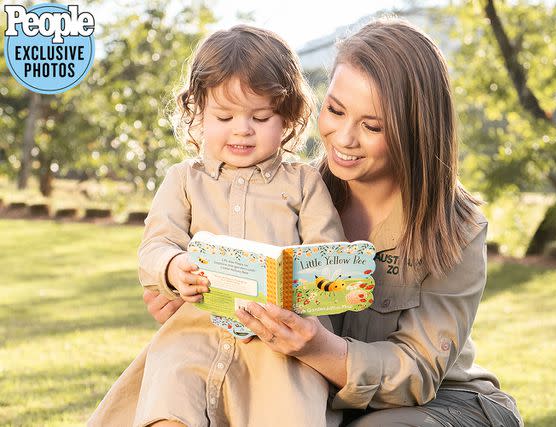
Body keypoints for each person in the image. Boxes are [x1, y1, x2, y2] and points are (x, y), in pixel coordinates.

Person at [92, 18, 524, 427]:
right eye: (335, 110)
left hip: (440, 405)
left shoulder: (456, 227)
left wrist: (317, 346)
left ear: (414, 130)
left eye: (371, 125)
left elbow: (417, 372)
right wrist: (187, 293)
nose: (344, 137)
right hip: (320, 397)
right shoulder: (293, 188)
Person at [89, 25, 345, 427]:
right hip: (195, 331)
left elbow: (328, 254)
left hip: (278, 341)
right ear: (199, 114)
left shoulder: (303, 184)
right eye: (224, 116)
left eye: (261, 117)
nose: (242, 128)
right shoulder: (183, 180)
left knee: (287, 410)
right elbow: (155, 245)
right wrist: (172, 268)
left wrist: (301, 284)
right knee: (170, 401)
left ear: (288, 117)